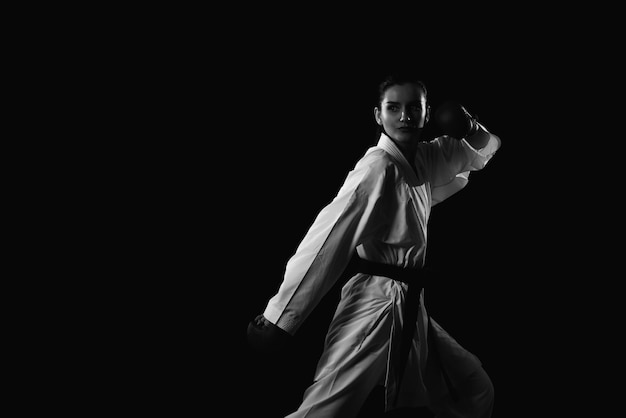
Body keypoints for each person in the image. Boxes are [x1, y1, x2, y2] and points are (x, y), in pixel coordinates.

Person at [247, 72, 501, 417]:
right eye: (393, 108)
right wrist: (279, 316)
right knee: (323, 411)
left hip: (410, 304)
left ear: (427, 115)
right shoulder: (377, 169)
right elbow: (326, 240)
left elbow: (484, 149)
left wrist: (470, 125)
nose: (405, 117)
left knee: (473, 387)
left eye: (414, 108)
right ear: (378, 115)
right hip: (375, 304)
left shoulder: (425, 157)